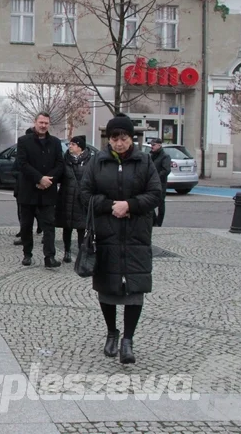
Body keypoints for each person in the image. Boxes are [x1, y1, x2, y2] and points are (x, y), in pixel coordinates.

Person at [80, 113, 162, 364]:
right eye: (114, 138)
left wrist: (130, 205)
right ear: (109, 139)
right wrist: (109, 205)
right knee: (107, 287)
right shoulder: (97, 162)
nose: (119, 142)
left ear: (131, 138)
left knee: (135, 287)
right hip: (106, 233)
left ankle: (128, 339)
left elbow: (156, 193)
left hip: (136, 233)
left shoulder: (145, 162)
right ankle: (111, 333)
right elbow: (84, 194)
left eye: (123, 138)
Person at [16, 113, 64, 268]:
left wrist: (48, 180)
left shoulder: (55, 143)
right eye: (41, 122)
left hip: (48, 191)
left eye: (46, 123)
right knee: (26, 225)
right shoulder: (24, 141)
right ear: (35, 122)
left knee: (49, 225)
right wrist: (39, 179)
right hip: (29, 190)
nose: (43, 125)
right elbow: (22, 164)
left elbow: (60, 164)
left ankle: (49, 257)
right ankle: (27, 253)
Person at [55, 135, 92, 263]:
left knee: (81, 228)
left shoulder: (90, 161)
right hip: (66, 198)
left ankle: (81, 254)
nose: (70, 146)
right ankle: (67, 251)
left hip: (82, 200)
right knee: (67, 227)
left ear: (80, 147)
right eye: (70, 144)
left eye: (73, 144)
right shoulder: (65, 160)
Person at [149, 138, 171, 227]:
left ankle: (159, 222)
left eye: (153, 145)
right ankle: (154, 221)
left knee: (160, 203)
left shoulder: (165, 156)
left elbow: (166, 170)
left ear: (159, 145)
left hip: (161, 183)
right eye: (151, 145)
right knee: (150, 203)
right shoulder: (152, 155)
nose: (152, 146)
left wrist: (156, 177)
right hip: (152, 183)